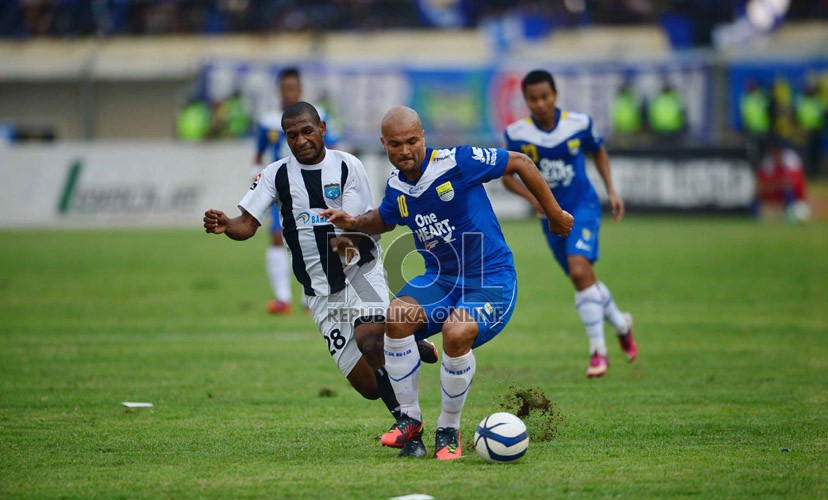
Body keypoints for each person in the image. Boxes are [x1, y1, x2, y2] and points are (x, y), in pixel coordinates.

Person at [321, 106, 574, 460]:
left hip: (490, 278)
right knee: (397, 316)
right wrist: (353, 222)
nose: (405, 150)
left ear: (423, 137)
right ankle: (410, 419)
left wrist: (554, 211)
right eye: (396, 144)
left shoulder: (459, 161)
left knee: (456, 332)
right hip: (440, 278)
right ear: (384, 144)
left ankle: (449, 429)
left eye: (412, 141)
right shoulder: (397, 186)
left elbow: (520, 162)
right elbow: (385, 218)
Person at [204, 102, 438, 435]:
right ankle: (407, 341)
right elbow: (247, 224)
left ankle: (407, 425)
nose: (301, 141)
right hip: (319, 293)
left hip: (361, 273)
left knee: (370, 342)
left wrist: (348, 241)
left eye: (307, 131)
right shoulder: (275, 174)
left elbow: (362, 222)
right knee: (370, 385)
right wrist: (226, 224)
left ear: (322, 129)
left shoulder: (347, 166)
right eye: (292, 135)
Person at [502, 69, 638, 378]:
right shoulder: (517, 134)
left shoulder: (579, 124)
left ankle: (598, 353)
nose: (540, 103)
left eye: (545, 96)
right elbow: (507, 176)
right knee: (584, 278)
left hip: (583, 206)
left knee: (579, 271)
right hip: (551, 215)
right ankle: (621, 322)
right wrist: (534, 200)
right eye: (533, 99)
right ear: (525, 101)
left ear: (555, 95)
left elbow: (598, 151)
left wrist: (611, 190)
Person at [253, 67, 339, 315]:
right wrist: (258, 183)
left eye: (294, 88)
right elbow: (258, 155)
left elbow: (331, 149)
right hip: (282, 188)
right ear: (279, 90)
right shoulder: (268, 120)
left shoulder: (318, 116)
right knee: (278, 238)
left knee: (314, 238)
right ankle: (282, 298)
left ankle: (310, 297)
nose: (289, 92)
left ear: (300, 89)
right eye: (285, 88)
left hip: (313, 186)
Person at [754, 136, 810, 222]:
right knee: (754, 200)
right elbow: (759, 187)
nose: (775, 152)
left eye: (777, 149)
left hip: (795, 199)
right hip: (773, 196)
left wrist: (772, 184)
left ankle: (789, 216)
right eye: (773, 149)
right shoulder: (767, 161)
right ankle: (757, 218)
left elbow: (791, 183)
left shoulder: (791, 159)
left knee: (788, 192)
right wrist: (776, 184)